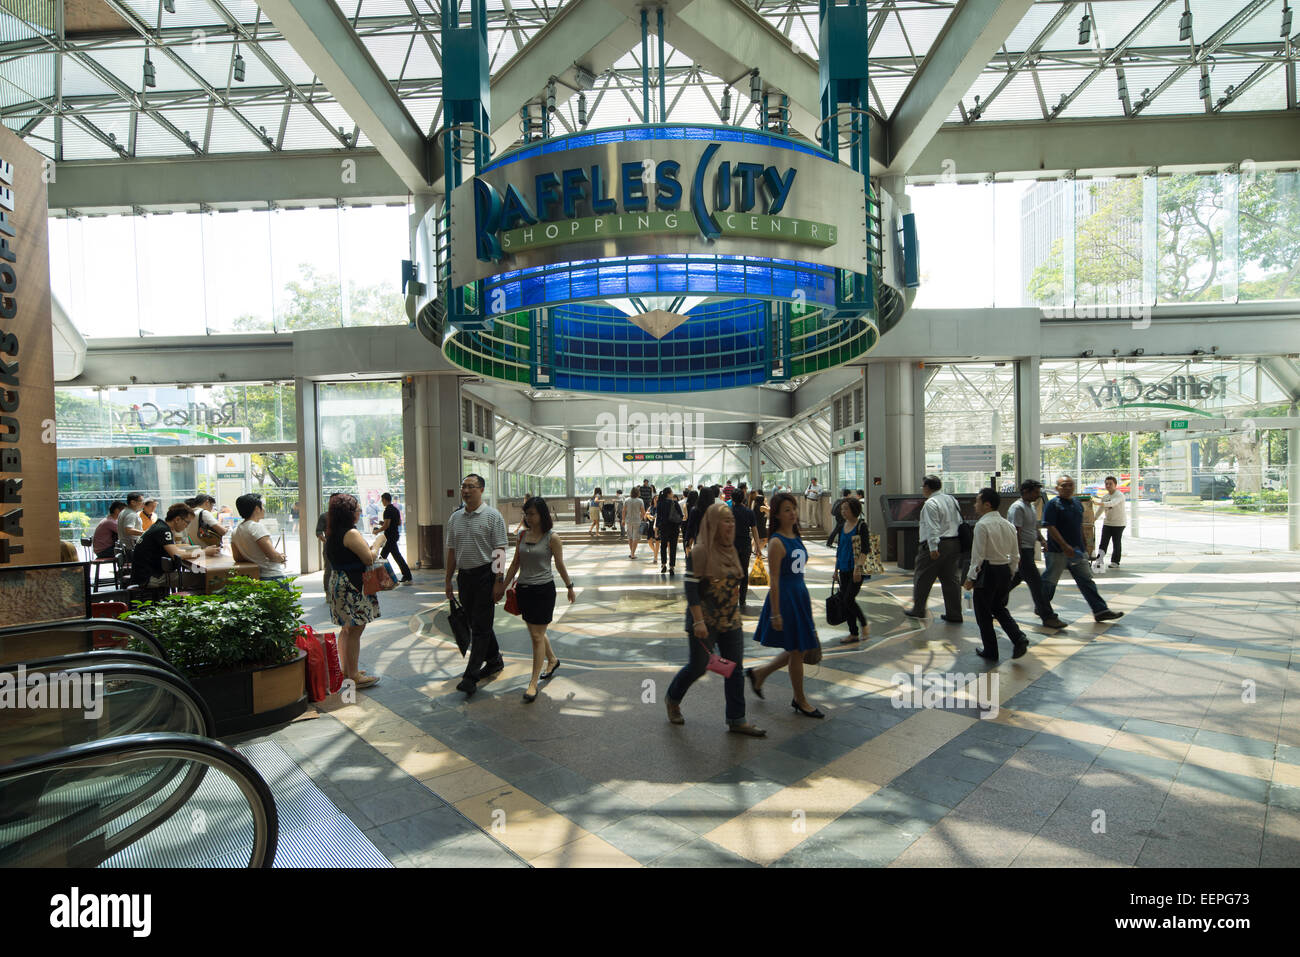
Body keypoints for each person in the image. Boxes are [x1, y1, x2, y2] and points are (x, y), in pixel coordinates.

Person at [665, 502, 766, 737]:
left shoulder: (731, 549)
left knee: (735, 669)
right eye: (725, 520)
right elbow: (691, 590)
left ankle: (736, 719)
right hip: (705, 621)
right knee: (698, 667)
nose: (730, 525)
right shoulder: (700, 552)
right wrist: (699, 622)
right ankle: (672, 698)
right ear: (712, 524)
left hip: (731, 620)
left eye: (732, 520)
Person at [745, 492, 823, 718]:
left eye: (794, 509)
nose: (793, 513)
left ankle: (759, 674)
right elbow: (775, 580)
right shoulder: (777, 542)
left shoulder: (795, 536)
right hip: (787, 598)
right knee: (797, 650)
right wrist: (776, 613)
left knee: (796, 648)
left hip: (800, 595)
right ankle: (800, 699)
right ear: (777, 515)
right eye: (787, 510)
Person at [502, 497, 573, 703]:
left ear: (542, 515)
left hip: (543, 591)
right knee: (536, 633)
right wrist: (502, 586)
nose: (528, 517)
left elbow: (559, 564)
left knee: (536, 636)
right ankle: (552, 659)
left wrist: (569, 587)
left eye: (532, 513)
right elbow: (515, 563)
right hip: (524, 590)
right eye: (526, 514)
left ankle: (533, 683)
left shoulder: (552, 538)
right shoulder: (522, 535)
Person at [445, 473, 509, 697]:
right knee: (475, 623)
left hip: (485, 576)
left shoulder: (492, 516)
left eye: (471, 486)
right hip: (465, 577)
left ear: (481, 490)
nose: (466, 490)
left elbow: (499, 550)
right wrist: (448, 580)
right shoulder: (455, 518)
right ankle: (494, 660)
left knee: (481, 627)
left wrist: (499, 581)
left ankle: (470, 677)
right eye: (463, 486)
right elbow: (452, 551)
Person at [1042, 476, 1125, 623]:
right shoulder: (1053, 504)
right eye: (1064, 486)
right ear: (1057, 488)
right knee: (1050, 582)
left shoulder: (1076, 503)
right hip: (1057, 552)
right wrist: (1064, 545)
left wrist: (1085, 545)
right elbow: (1050, 526)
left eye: (1070, 485)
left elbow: (1078, 525)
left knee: (1086, 581)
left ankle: (1100, 610)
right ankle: (1042, 607)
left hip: (1077, 552)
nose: (1067, 488)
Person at [324, 493, 385, 689]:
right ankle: (354, 675)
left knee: (346, 628)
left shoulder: (332, 532)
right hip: (352, 584)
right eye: (357, 509)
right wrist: (378, 543)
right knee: (356, 629)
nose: (359, 512)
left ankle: (347, 670)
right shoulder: (350, 533)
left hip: (338, 581)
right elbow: (368, 558)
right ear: (349, 512)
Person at [963, 488, 1028, 662]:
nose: (975, 505)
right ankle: (1018, 637)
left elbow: (978, 557)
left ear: (987, 504)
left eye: (977, 501)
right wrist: (1011, 572)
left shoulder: (982, 525)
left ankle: (991, 651)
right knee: (998, 607)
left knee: (983, 613)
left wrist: (970, 578)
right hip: (1004, 570)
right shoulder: (1008, 525)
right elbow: (1015, 555)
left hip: (988, 572)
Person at [904, 476, 964, 623]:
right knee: (951, 580)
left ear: (927, 487)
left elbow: (932, 527)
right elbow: (959, 521)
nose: (922, 489)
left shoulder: (931, 503)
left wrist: (933, 547)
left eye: (923, 486)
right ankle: (954, 613)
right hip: (954, 543)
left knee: (922, 577)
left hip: (937, 545)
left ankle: (918, 609)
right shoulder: (951, 499)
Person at [1008, 481, 1067, 630]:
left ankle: (992, 603)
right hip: (1023, 551)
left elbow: (1033, 527)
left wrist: (1041, 540)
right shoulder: (1018, 508)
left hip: (1028, 550)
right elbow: (1016, 532)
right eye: (1035, 492)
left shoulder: (1031, 507)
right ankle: (1048, 616)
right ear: (1026, 491)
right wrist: (1019, 554)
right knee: (1037, 585)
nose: (1038, 495)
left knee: (1012, 581)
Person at [131, 503, 220, 589]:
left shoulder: (159, 526)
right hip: (150, 578)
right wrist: (204, 552)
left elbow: (174, 550)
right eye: (187, 523)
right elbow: (177, 555)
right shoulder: (163, 530)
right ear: (177, 519)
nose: (186, 527)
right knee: (206, 578)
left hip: (143, 575)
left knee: (200, 574)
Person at [832, 497, 876, 644]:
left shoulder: (861, 525)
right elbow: (840, 549)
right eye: (842, 509)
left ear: (854, 510)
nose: (843, 511)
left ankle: (863, 624)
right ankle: (853, 633)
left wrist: (858, 569)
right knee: (846, 601)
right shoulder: (841, 525)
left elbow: (865, 549)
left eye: (846, 509)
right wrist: (835, 570)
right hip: (843, 567)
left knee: (848, 599)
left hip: (856, 568)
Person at [232, 493, 290, 586]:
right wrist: (281, 557)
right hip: (272, 576)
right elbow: (273, 556)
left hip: (255, 577)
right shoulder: (256, 527)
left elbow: (237, 557)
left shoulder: (235, 531)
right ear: (256, 508)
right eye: (262, 506)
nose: (264, 509)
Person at [729, 483, 759, 608]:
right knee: (744, 572)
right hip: (746, 545)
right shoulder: (749, 512)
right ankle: (742, 598)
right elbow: (754, 530)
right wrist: (757, 546)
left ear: (732, 499)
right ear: (743, 498)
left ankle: (734, 597)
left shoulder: (729, 512)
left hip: (732, 545)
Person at [378, 492, 413, 584]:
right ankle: (407, 575)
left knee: (382, 557)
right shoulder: (395, 510)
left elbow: (386, 525)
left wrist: (377, 531)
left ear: (385, 500)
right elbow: (398, 523)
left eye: (382, 500)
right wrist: (385, 524)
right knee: (396, 556)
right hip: (395, 535)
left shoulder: (387, 511)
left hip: (390, 537)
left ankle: (380, 577)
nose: (382, 502)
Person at [1093, 476, 1127, 566]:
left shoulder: (1120, 495)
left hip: (1119, 523)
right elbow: (1100, 509)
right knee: (1103, 542)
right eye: (1106, 484)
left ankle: (1115, 561)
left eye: (1110, 484)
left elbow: (1112, 503)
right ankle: (1099, 560)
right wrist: (1094, 519)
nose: (1108, 485)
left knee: (1116, 542)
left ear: (1115, 485)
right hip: (1108, 523)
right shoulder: (1105, 496)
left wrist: (1097, 502)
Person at [655, 487, 683, 574]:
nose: (673, 494)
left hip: (664, 527)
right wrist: (678, 524)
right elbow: (681, 515)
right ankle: (672, 567)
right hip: (674, 528)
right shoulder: (674, 502)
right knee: (673, 547)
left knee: (663, 546)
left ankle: (663, 564)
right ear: (669, 494)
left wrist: (657, 528)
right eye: (672, 492)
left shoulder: (660, 503)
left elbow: (658, 517)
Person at [623, 489, 646, 559]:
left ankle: (632, 552)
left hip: (628, 520)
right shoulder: (640, 501)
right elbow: (643, 512)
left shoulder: (626, 500)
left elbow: (624, 511)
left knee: (630, 537)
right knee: (635, 537)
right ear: (638, 493)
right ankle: (632, 553)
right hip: (637, 521)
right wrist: (641, 518)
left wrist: (623, 519)